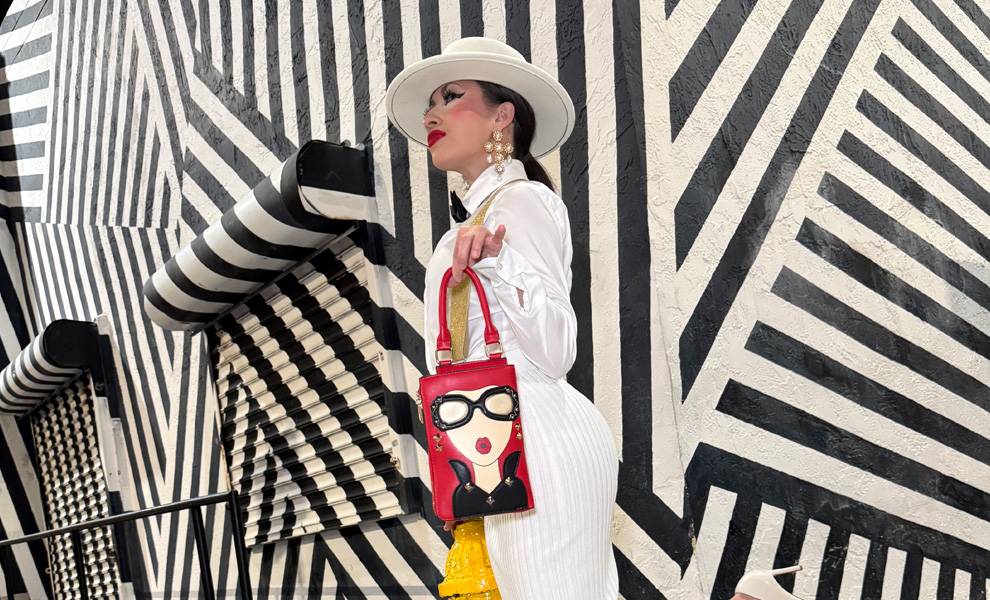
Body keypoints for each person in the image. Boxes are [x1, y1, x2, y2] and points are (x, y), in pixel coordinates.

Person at [384, 37, 621, 599]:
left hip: (536, 433)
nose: (431, 112)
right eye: (430, 102)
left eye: (451, 96)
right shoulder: (477, 218)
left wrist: (498, 259)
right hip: (493, 442)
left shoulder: (523, 202)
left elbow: (559, 347)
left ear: (503, 115)